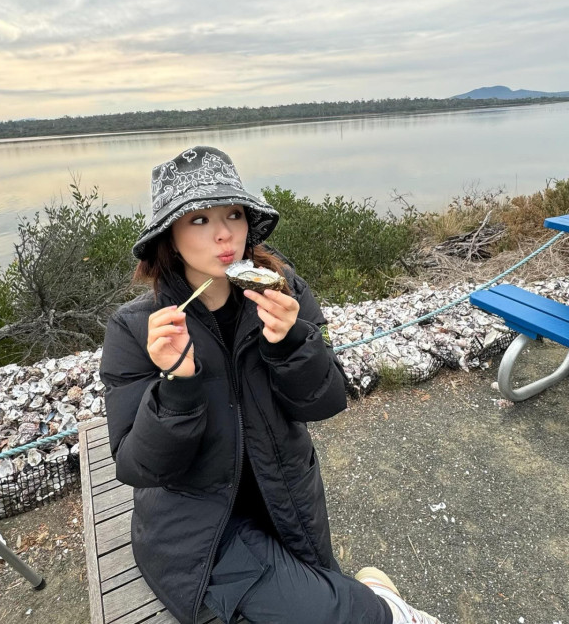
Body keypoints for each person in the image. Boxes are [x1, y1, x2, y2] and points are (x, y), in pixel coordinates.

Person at [100, 145, 441, 624]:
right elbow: (139, 466)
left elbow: (326, 401)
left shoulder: (281, 289)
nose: (224, 234)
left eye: (234, 214)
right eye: (198, 219)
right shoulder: (137, 328)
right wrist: (177, 385)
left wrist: (290, 344)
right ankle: (391, 610)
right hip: (198, 531)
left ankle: (376, 602)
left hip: (288, 503)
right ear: (169, 237)